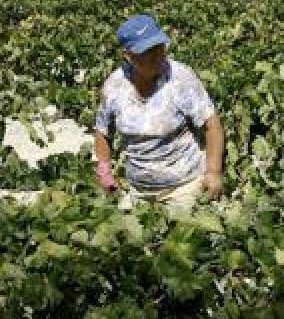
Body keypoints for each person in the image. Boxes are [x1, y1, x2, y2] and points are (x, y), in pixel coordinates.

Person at [92, 13, 224, 209]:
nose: (158, 55)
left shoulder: (180, 79)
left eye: (159, 47)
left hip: (183, 187)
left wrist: (213, 172)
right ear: (128, 56)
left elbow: (212, 126)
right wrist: (104, 173)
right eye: (148, 51)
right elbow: (102, 131)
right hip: (138, 190)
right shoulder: (114, 86)